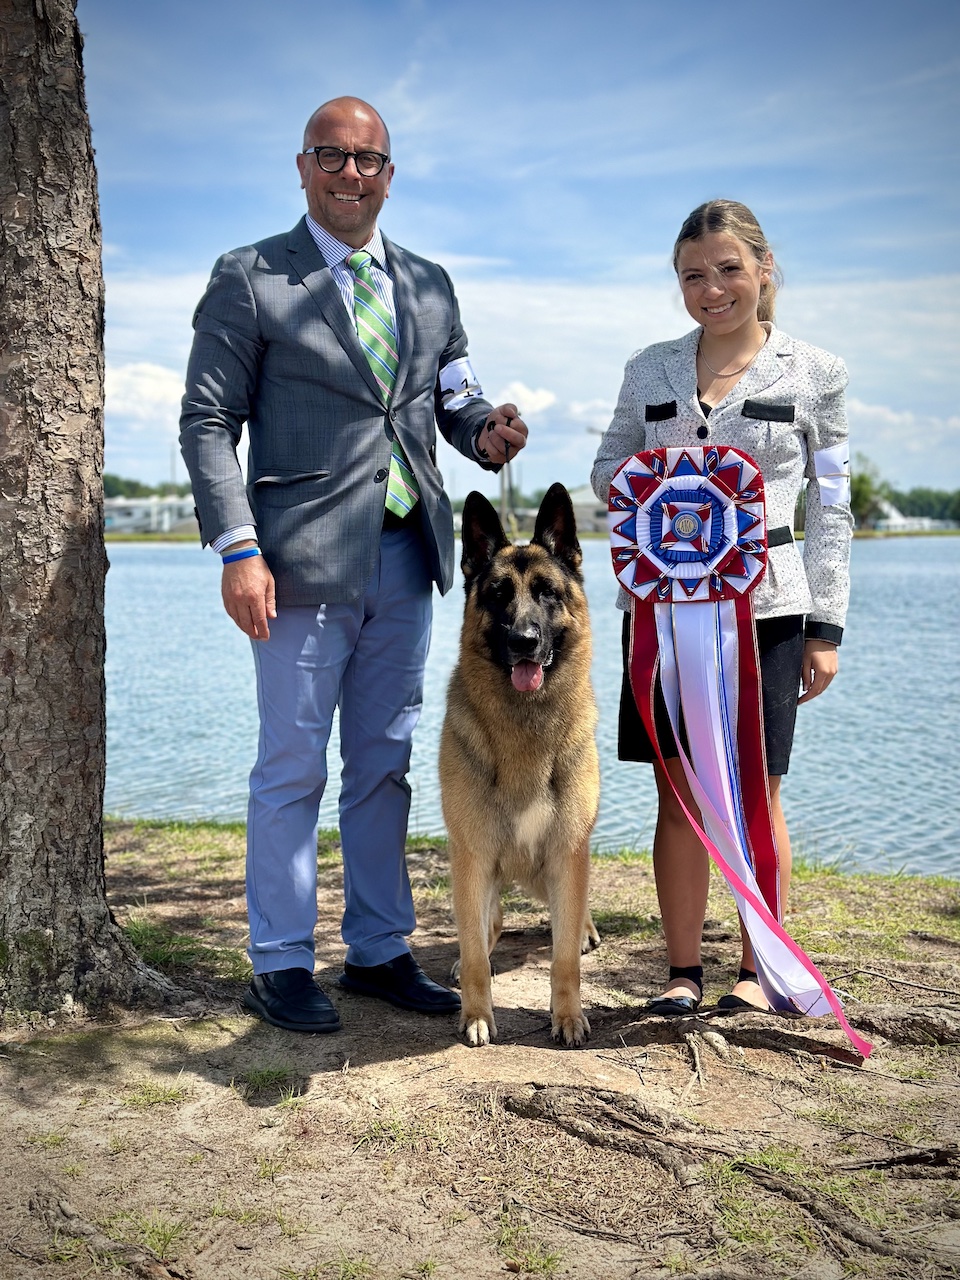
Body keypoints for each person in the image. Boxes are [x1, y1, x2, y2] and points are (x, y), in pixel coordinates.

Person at [180, 96, 528, 1034]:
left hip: (409, 558)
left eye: (366, 159)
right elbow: (208, 423)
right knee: (292, 767)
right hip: (293, 563)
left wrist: (486, 433)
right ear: (302, 167)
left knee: (384, 764)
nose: (349, 174)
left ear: (389, 174)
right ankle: (280, 962)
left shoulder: (430, 284)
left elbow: (454, 402)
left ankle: (377, 950)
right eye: (330, 156)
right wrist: (238, 547)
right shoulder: (251, 276)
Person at [591, 199, 851, 1015]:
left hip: (768, 612)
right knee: (678, 795)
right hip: (660, 612)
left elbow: (832, 507)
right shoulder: (648, 369)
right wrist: (665, 488)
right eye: (692, 276)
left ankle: (757, 969)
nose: (712, 289)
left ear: (763, 270)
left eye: (729, 269)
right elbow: (606, 469)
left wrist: (825, 627)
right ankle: (681, 973)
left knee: (758, 790)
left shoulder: (818, 373)